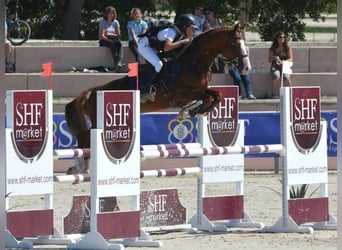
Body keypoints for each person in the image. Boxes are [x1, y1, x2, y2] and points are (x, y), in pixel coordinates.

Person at [137, 14, 196, 102]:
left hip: (153, 47)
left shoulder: (180, 34)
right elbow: (167, 47)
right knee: (159, 64)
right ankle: (144, 90)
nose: (193, 31)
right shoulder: (172, 31)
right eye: (192, 28)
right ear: (185, 26)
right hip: (144, 45)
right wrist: (183, 42)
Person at [99, 6, 124, 72]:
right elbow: (102, 36)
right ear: (106, 14)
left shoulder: (116, 22)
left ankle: (119, 62)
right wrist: (110, 40)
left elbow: (119, 35)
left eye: (112, 13)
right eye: (109, 13)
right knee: (113, 46)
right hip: (104, 40)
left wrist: (110, 33)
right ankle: (117, 65)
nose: (111, 15)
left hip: (113, 38)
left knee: (120, 44)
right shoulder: (103, 21)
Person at [268, 31, 293, 98]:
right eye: (280, 37)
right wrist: (273, 58)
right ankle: (275, 94)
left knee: (286, 77)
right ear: (277, 39)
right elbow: (269, 60)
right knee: (276, 76)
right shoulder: (273, 48)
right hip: (275, 65)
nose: (282, 38)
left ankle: (290, 95)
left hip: (285, 65)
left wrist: (283, 62)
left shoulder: (287, 48)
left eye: (283, 37)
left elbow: (291, 59)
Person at [5, 2, 14, 72]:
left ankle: (6, 63)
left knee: (8, 44)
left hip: (2, 39)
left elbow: (4, 34)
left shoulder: (3, 21)